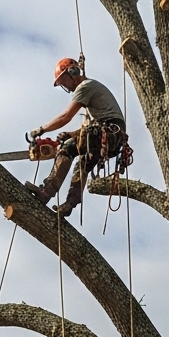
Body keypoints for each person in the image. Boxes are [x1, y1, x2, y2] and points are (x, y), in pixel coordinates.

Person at [25, 57, 126, 217]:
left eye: (63, 81)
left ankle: (47, 191)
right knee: (83, 163)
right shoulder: (92, 88)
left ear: (72, 72)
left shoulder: (85, 86)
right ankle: (70, 204)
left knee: (67, 149)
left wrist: (41, 130)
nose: (65, 86)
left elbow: (66, 116)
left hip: (108, 133)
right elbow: (92, 127)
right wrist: (70, 134)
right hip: (112, 137)